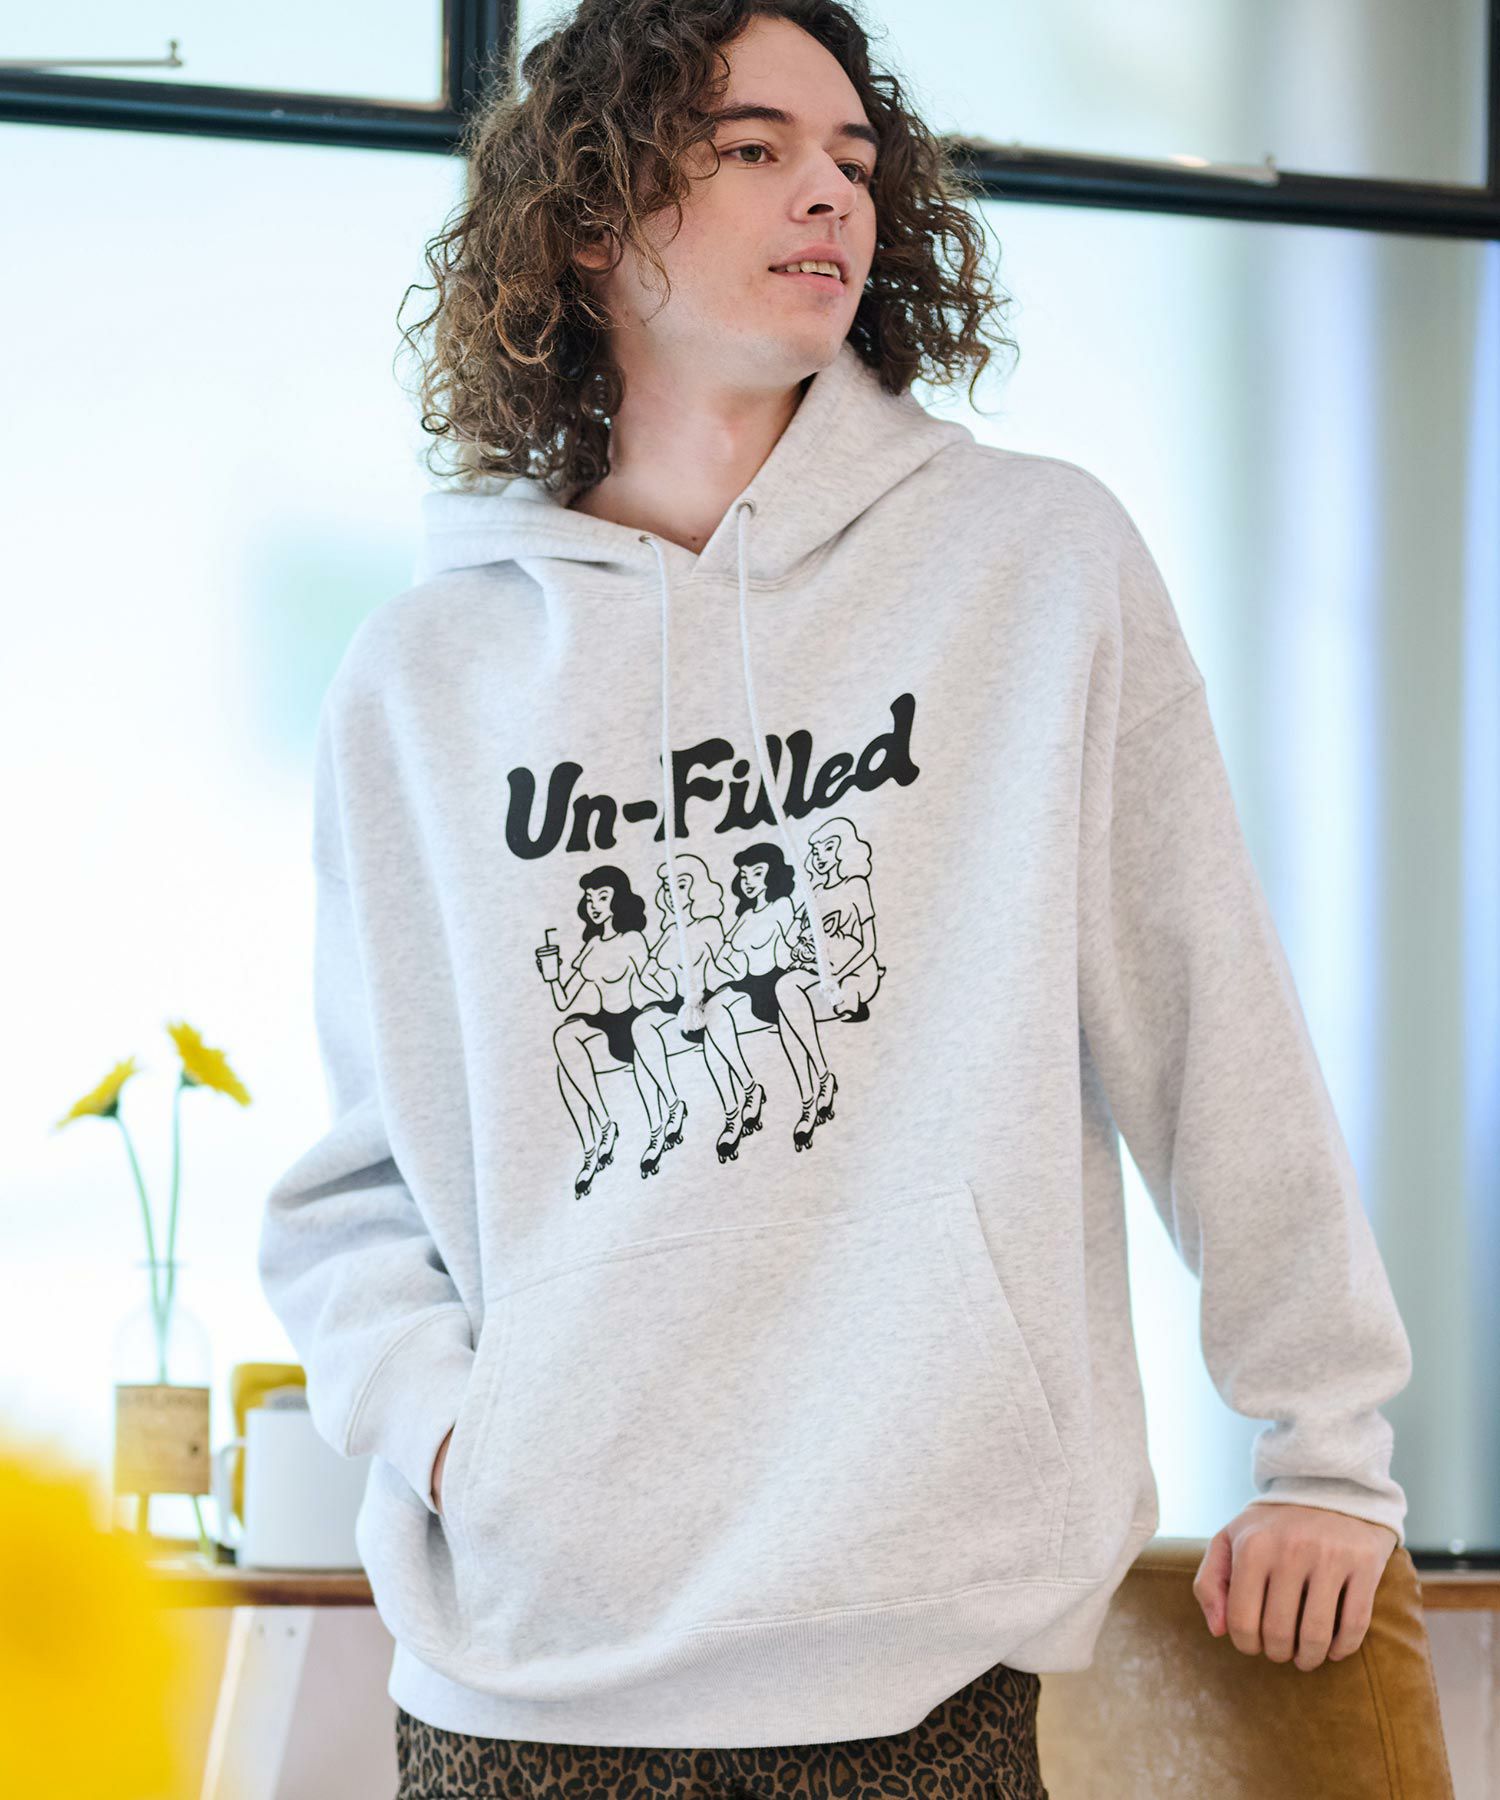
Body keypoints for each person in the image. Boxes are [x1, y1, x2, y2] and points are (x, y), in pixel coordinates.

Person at [257, 2, 1414, 1795]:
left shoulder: (1034, 567)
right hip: (526, 1689)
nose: (831, 194)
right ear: (590, 217)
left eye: (855, 160)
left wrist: (1326, 1446)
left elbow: (1209, 1020)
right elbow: (356, 1194)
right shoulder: (422, 679)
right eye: (754, 148)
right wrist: (464, 1443)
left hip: (921, 1662)